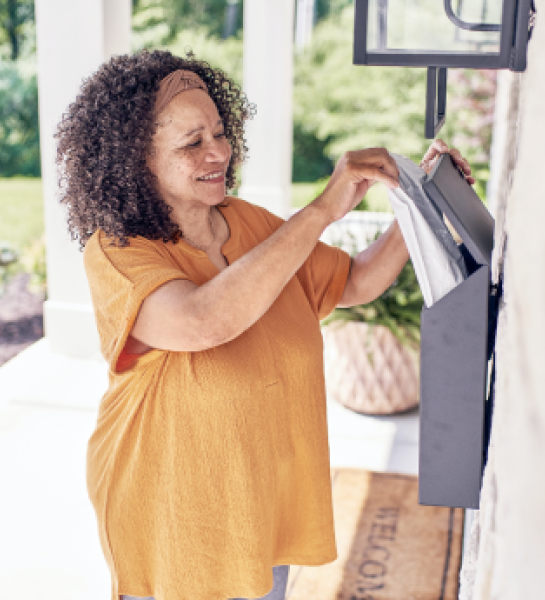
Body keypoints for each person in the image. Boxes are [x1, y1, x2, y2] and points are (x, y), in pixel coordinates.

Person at [55, 50, 473, 600]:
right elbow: (202, 321)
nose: (219, 152)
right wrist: (321, 210)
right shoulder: (116, 250)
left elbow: (353, 283)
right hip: (174, 516)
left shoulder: (248, 222)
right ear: (136, 159)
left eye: (220, 133)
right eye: (192, 142)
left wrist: (420, 206)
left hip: (262, 505)